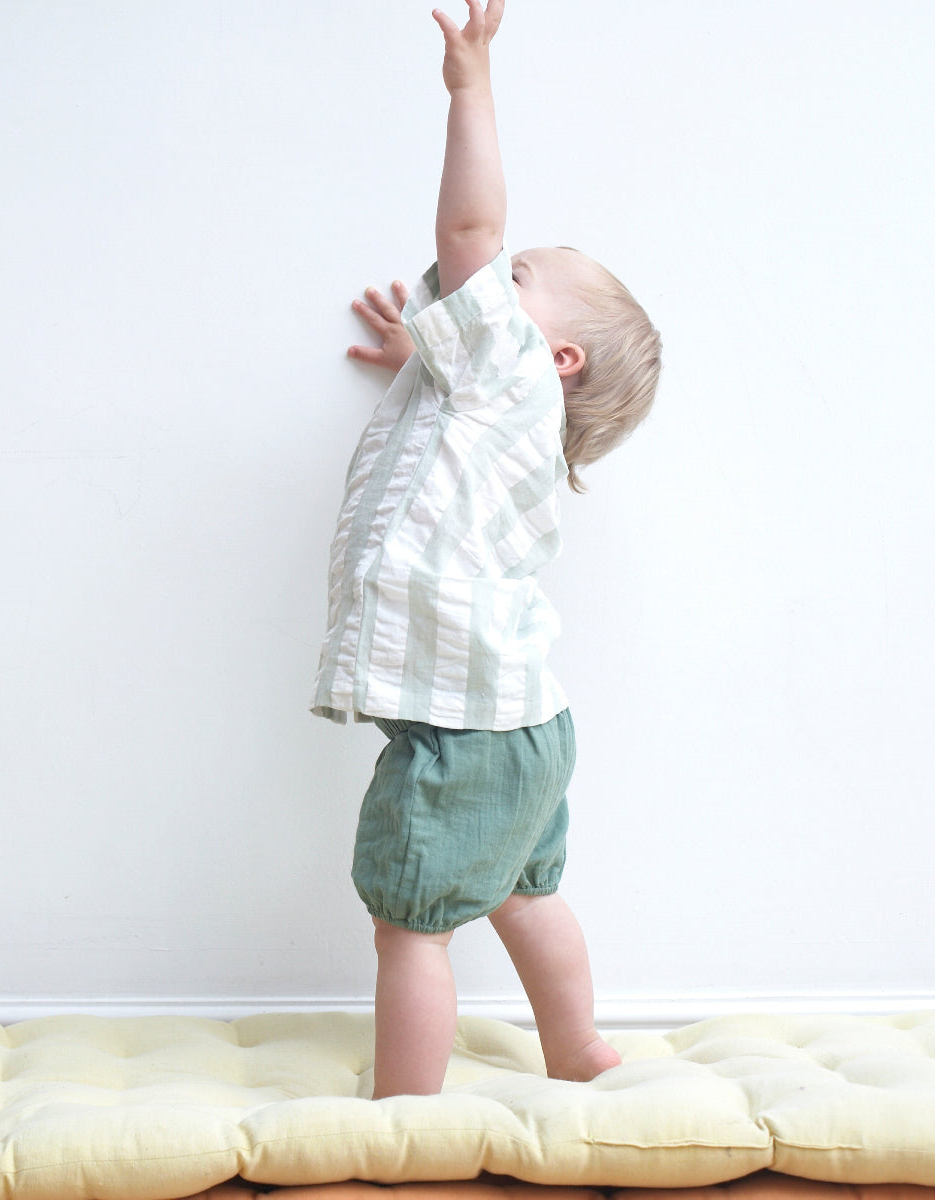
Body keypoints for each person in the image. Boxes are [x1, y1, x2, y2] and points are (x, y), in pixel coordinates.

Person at [311, 0, 661, 1098]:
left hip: (461, 725)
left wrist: (471, 86)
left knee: (410, 922)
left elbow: (466, 233)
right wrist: (413, 360)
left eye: (519, 281)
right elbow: (448, 435)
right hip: (525, 724)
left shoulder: (507, 372)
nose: (487, 280)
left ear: (551, 356)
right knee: (521, 890)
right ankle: (579, 1046)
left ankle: (405, 1110)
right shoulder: (512, 412)